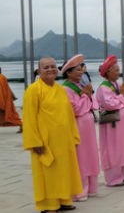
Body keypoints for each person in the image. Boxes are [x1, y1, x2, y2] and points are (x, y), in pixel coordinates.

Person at [22, 57, 82, 212]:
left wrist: (74, 136)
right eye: (46, 67)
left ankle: (64, 199)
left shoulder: (60, 89)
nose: (50, 70)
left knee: (63, 171)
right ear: (39, 71)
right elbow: (29, 118)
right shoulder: (33, 90)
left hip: (63, 140)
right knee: (47, 173)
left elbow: (68, 115)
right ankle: (48, 205)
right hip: (45, 140)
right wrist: (34, 142)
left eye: (53, 67)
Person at [61, 54, 99, 202]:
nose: (81, 72)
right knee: (81, 156)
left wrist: (88, 95)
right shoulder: (66, 89)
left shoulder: (80, 86)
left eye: (81, 69)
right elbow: (74, 109)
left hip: (87, 124)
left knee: (90, 154)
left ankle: (91, 186)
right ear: (68, 73)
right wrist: (85, 96)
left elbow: (94, 105)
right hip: (77, 125)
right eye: (77, 70)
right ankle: (79, 190)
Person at [96, 55, 124, 187]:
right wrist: (122, 96)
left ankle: (123, 174)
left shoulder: (116, 85)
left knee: (123, 147)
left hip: (122, 122)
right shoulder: (103, 87)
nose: (118, 73)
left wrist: (123, 96)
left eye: (118, 70)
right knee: (112, 148)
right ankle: (113, 178)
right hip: (112, 123)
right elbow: (109, 104)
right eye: (115, 70)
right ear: (107, 72)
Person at [0, 68, 22, 132]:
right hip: (5, 99)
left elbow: (1, 91)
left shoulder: (1, 78)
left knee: (10, 117)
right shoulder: (2, 77)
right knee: (9, 116)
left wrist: (1, 102)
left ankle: (22, 125)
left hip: (3, 101)